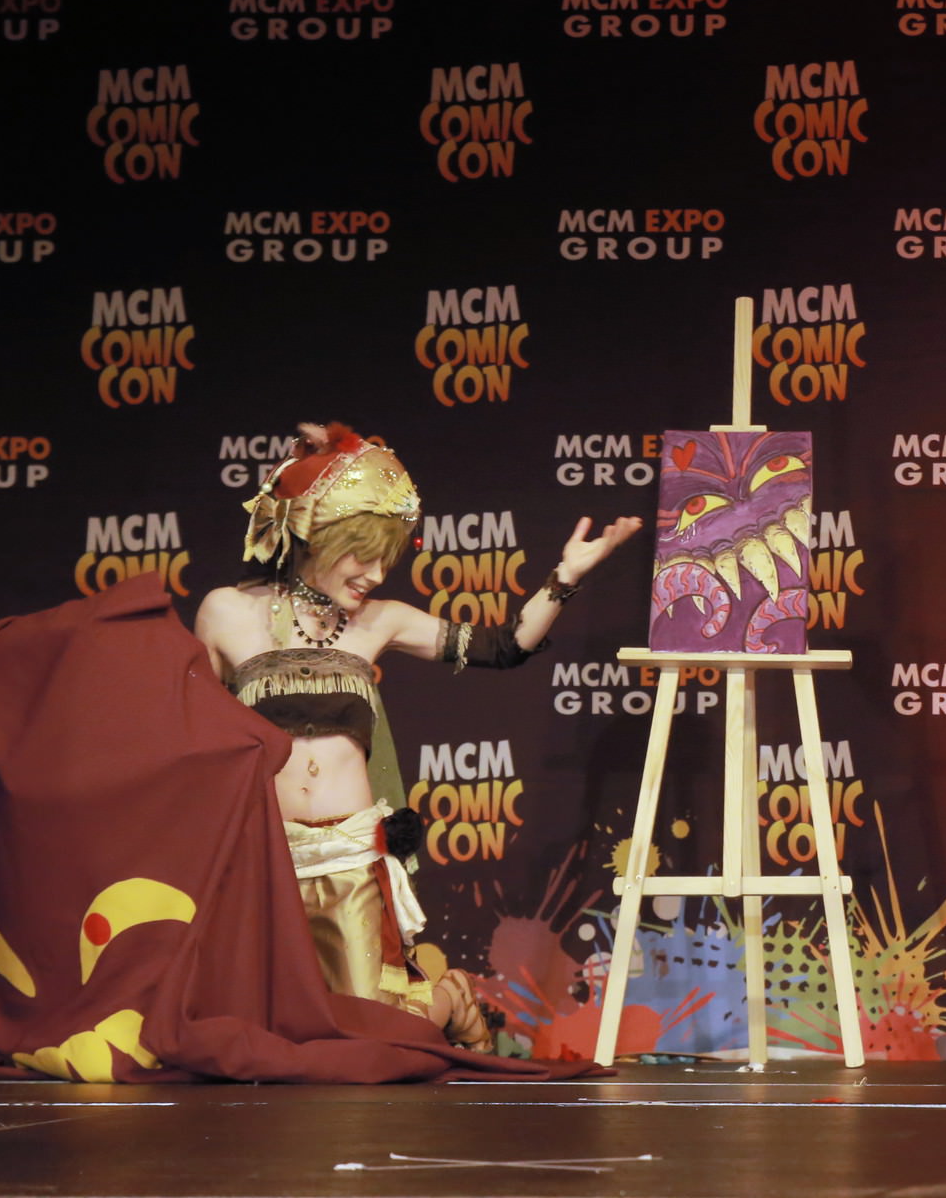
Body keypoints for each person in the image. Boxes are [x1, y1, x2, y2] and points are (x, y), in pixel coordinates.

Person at [195, 422, 641, 1051]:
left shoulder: (380, 621)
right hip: (264, 856)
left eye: (390, 556)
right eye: (362, 553)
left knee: (366, 1038)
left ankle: (449, 998)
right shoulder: (224, 613)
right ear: (316, 532)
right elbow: (194, 739)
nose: (377, 573)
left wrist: (564, 578)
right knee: (267, 1034)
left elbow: (506, 646)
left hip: (350, 856)